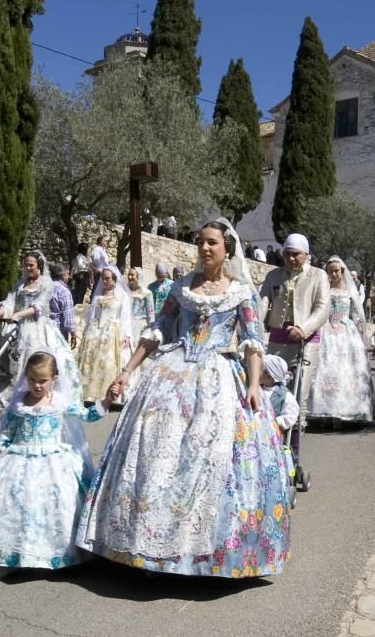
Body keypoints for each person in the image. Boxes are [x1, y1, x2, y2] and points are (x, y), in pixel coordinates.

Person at [77, 219, 290, 578]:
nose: (205, 248)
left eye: (212, 243)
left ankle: (202, 553)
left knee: (211, 456)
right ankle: (148, 546)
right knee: (156, 454)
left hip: (220, 376)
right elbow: (156, 331)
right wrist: (127, 370)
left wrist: (254, 385)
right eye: (200, 242)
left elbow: (253, 342)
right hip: (173, 372)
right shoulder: (180, 289)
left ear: (227, 250)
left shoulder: (241, 292)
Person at [0, 349, 116, 579]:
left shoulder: (59, 403)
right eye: (32, 380)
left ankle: (55, 553)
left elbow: (87, 416)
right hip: (18, 460)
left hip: (53, 461)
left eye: (43, 381)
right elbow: (7, 434)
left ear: (54, 379)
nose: (37, 385)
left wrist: (106, 401)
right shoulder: (18, 404)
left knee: (52, 507)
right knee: (13, 508)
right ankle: (9, 557)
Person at [0, 251, 83, 408]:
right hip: (16, 328)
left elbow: (38, 306)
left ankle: (40, 402)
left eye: (31, 265)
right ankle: (9, 406)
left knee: (36, 364)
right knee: (8, 365)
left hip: (37, 329)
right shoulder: (20, 283)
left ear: (39, 266)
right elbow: (9, 300)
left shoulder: (46, 284)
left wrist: (18, 314)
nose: (27, 268)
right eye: (25, 265)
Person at [259, 233, 330, 417]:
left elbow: (322, 308)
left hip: (305, 342)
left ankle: (296, 438)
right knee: (270, 389)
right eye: (287, 254)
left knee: (300, 392)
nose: (291, 258)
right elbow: (262, 302)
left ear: (306, 254)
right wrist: (255, 328)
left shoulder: (318, 275)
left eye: (296, 254)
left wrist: (303, 329)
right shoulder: (274, 275)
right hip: (277, 341)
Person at [308, 257, 374, 424]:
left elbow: (358, 313)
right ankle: (325, 410)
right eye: (331, 271)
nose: (334, 274)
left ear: (342, 271)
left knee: (345, 370)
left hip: (345, 332)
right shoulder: (323, 289)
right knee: (326, 369)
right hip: (326, 332)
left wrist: (361, 332)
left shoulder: (349, 291)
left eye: (337, 271)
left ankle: (343, 409)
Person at [77, 265, 134, 402]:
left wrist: (126, 335)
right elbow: (91, 316)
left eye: (107, 279)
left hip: (111, 332)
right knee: (89, 361)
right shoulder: (97, 297)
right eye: (103, 279)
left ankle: (105, 394)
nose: (104, 281)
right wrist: (86, 331)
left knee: (107, 362)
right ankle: (87, 393)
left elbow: (125, 317)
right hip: (94, 332)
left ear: (114, 279)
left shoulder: (122, 297)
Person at [262, 354, 299, 432]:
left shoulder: (284, 395)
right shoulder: (256, 388)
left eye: (260, 369)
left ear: (269, 375)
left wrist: (275, 422)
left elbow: (290, 416)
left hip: (270, 431)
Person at [48, 264, 77, 347]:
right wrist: (73, 333)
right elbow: (68, 314)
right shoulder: (64, 291)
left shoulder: (44, 288)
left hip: (44, 328)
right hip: (58, 330)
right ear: (63, 275)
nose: (69, 276)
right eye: (68, 274)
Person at [126, 266, 155, 339]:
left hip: (140, 325)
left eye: (132, 275)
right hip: (126, 324)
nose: (129, 277)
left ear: (138, 276)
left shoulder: (146, 293)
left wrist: (151, 327)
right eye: (128, 275)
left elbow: (150, 312)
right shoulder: (125, 292)